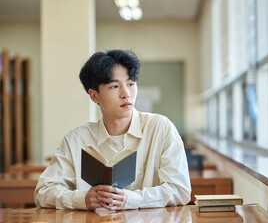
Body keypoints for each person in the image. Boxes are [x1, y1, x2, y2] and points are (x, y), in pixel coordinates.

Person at [34, 49, 191, 210]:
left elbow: (179, 190)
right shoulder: (77, 139)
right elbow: (43, 192)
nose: (126, 94)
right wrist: (82, 199)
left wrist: (131, 199)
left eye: (131, 84)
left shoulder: (160, 128)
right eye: (115, 86)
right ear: (94, 96)